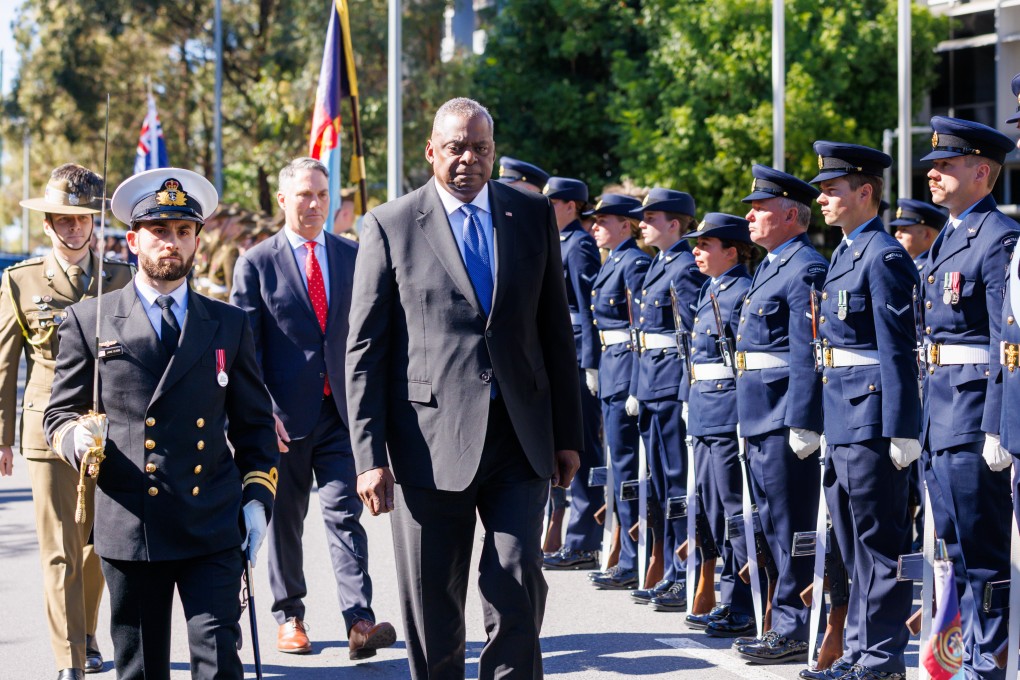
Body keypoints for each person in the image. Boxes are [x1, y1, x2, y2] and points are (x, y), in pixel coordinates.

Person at [346, 98, 582, 679]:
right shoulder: (390, 224)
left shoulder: (529, 218)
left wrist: (569, 435)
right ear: (431, 151)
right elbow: (364, 350)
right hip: (427, 443)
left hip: (519, 437)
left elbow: (555, 330)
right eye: (456, 147)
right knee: (434, 604)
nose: (468, 160)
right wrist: (369, 457)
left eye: (480, 148)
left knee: (519, 579)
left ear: (492, 153)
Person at [42, 168, 279, 680]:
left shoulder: (228, 323)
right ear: (132, 239)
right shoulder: (90, 320)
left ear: (198, 239)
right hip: (132, 524)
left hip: (211, 520)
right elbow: (57, 413)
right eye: (159, 231)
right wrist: (74, 438)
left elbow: (255, 425)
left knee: (219, 663)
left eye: (183, 231)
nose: (172, 243)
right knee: (142, 670)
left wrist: (258, 498)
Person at [231, 157, 395, 660]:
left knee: (347, 514)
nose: (314, 203)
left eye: (322, 195)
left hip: (342, 416)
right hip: (282, 418)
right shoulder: (256, 262)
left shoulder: (353, 255)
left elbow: (371, 334)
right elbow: (245, 349)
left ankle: (359, 620)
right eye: (303, 194)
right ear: (282, 200)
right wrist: (262, 412)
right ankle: (290, 617)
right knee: (285, 519)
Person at [0, 165, 133, 680]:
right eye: (63, 220)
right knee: (60, 552)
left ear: (93, 222)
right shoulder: (22, 279)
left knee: (100, 548)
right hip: (45, 432)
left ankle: (86, 631)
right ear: (48, 222)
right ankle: (68, 660)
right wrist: (3, 438)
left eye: (82, 219)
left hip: (111, 431)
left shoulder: (120, 276)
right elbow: (5, 363)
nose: (74, 229)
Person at [812, 141, 920, 680]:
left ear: (865, 192)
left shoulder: (883, 255)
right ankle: (858, 651)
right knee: (853, 546)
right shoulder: (847, 250)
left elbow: (898, 347)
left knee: (879, 547)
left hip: (873, 418)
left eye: (832, 190)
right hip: (843, 415)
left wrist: (903, 427)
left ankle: (881, 657)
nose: (823, 200)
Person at [919, 116, 1017, 680]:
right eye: (934, 166)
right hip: (941, 412)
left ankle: (991, 661)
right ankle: (975, 654)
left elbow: (1008, 339)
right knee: (955, 548)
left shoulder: (997, 238)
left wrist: (999, 425)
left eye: (946, 165)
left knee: (982, 554)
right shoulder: (952, 235)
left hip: (973, 411)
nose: (934, 174)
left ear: (981, 172)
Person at [735, 164, 827, 664]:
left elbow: (805, 353)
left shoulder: (805, 267)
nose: (750, 217)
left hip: (781, 417)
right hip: (756, 412)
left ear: (790, 214)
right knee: (770, 523)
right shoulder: (771, 265)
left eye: (760, 209)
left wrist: (803, 419)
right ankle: (781, 616)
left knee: (791, 526)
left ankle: (796, 625)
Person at [625, 188, 709, 612]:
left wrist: (688, 390)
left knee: (678, 483)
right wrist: (638, 387)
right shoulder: (661, 263)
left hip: (673, 385)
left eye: (650, 217)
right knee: (659, 482)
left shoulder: (684, 268)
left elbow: (694, 335)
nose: (641, 223)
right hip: (652, 384)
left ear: (674, 224)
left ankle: (684, 571)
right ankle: (672, 569)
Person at [683, 213, 756, 637]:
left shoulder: (740, 292)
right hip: (707, 409)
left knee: (734, 513)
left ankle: (744, 602)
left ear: (732, 251)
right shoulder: (712, 289)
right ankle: (731, 599)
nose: (696, 251)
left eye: (705, 245)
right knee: (713, 510)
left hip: (729, 412)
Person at [585, 193, 651, 590]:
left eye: (604, 220)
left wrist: (634, 381)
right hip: (612, 366)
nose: (595, 226)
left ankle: (634, 556)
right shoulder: (616, 261)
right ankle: (627, 552)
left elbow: (642, 327)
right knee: (618, 467)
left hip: (627, 368)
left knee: (629, 469)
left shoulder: (636, 263)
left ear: (626, 225)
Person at [541, 176, 605, 571]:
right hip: (561, 353)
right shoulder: (561, 242)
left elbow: (587, 311)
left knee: (580, 447)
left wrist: (589, 361)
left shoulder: (579, 245)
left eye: (553, 202)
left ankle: (584, 538)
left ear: (570, 206)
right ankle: (575, 535)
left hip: (577, 355)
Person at [890, 198, 945, 272]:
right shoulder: (903, 265)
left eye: (904, 230)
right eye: (897, 229)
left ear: (926, 235)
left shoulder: (935, 268)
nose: (897, 234)